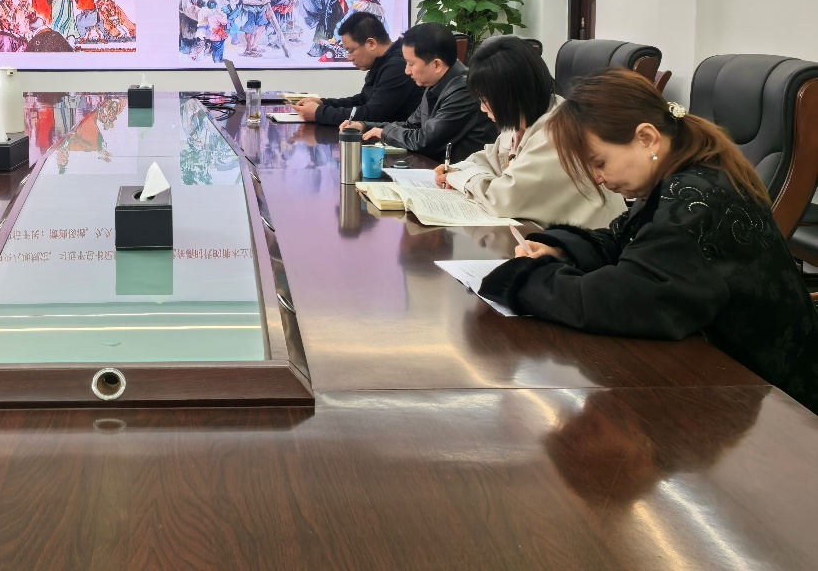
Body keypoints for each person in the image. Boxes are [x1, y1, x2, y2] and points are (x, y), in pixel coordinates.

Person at [479, 69, 818, 415]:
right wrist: (559, 249)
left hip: (777, 399)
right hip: (723, 374)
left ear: (646, 138)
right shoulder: (680, 173)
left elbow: (623, 299)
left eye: (599, 163)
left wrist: (523, 280)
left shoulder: (695, 198)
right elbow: (624, 240)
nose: (597, 178)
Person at [432, 36, 625, 228]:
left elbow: (504, 200)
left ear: (509, 97)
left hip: (595, 239)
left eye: (486, 100)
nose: (483, 108)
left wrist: (463, 179)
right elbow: (493, 159)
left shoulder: (557, 133)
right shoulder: (522, 120)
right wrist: (458, 169)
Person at [342, 21, 495, 163]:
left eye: (411, 64)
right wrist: (365, 126)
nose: (407, 71)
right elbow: (410, 125)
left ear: (436, 65)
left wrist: (383, 132)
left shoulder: (464, 90)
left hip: (463, 176)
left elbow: (424, 141)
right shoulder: (435, 84)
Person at [294, 11, 419, 127]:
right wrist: (323, 103)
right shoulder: (383, 62)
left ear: (371, 43)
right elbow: (362, 100)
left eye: (350, 51)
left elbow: (372, 115)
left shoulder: (398, 66)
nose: (349, 58)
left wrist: (319, 113)